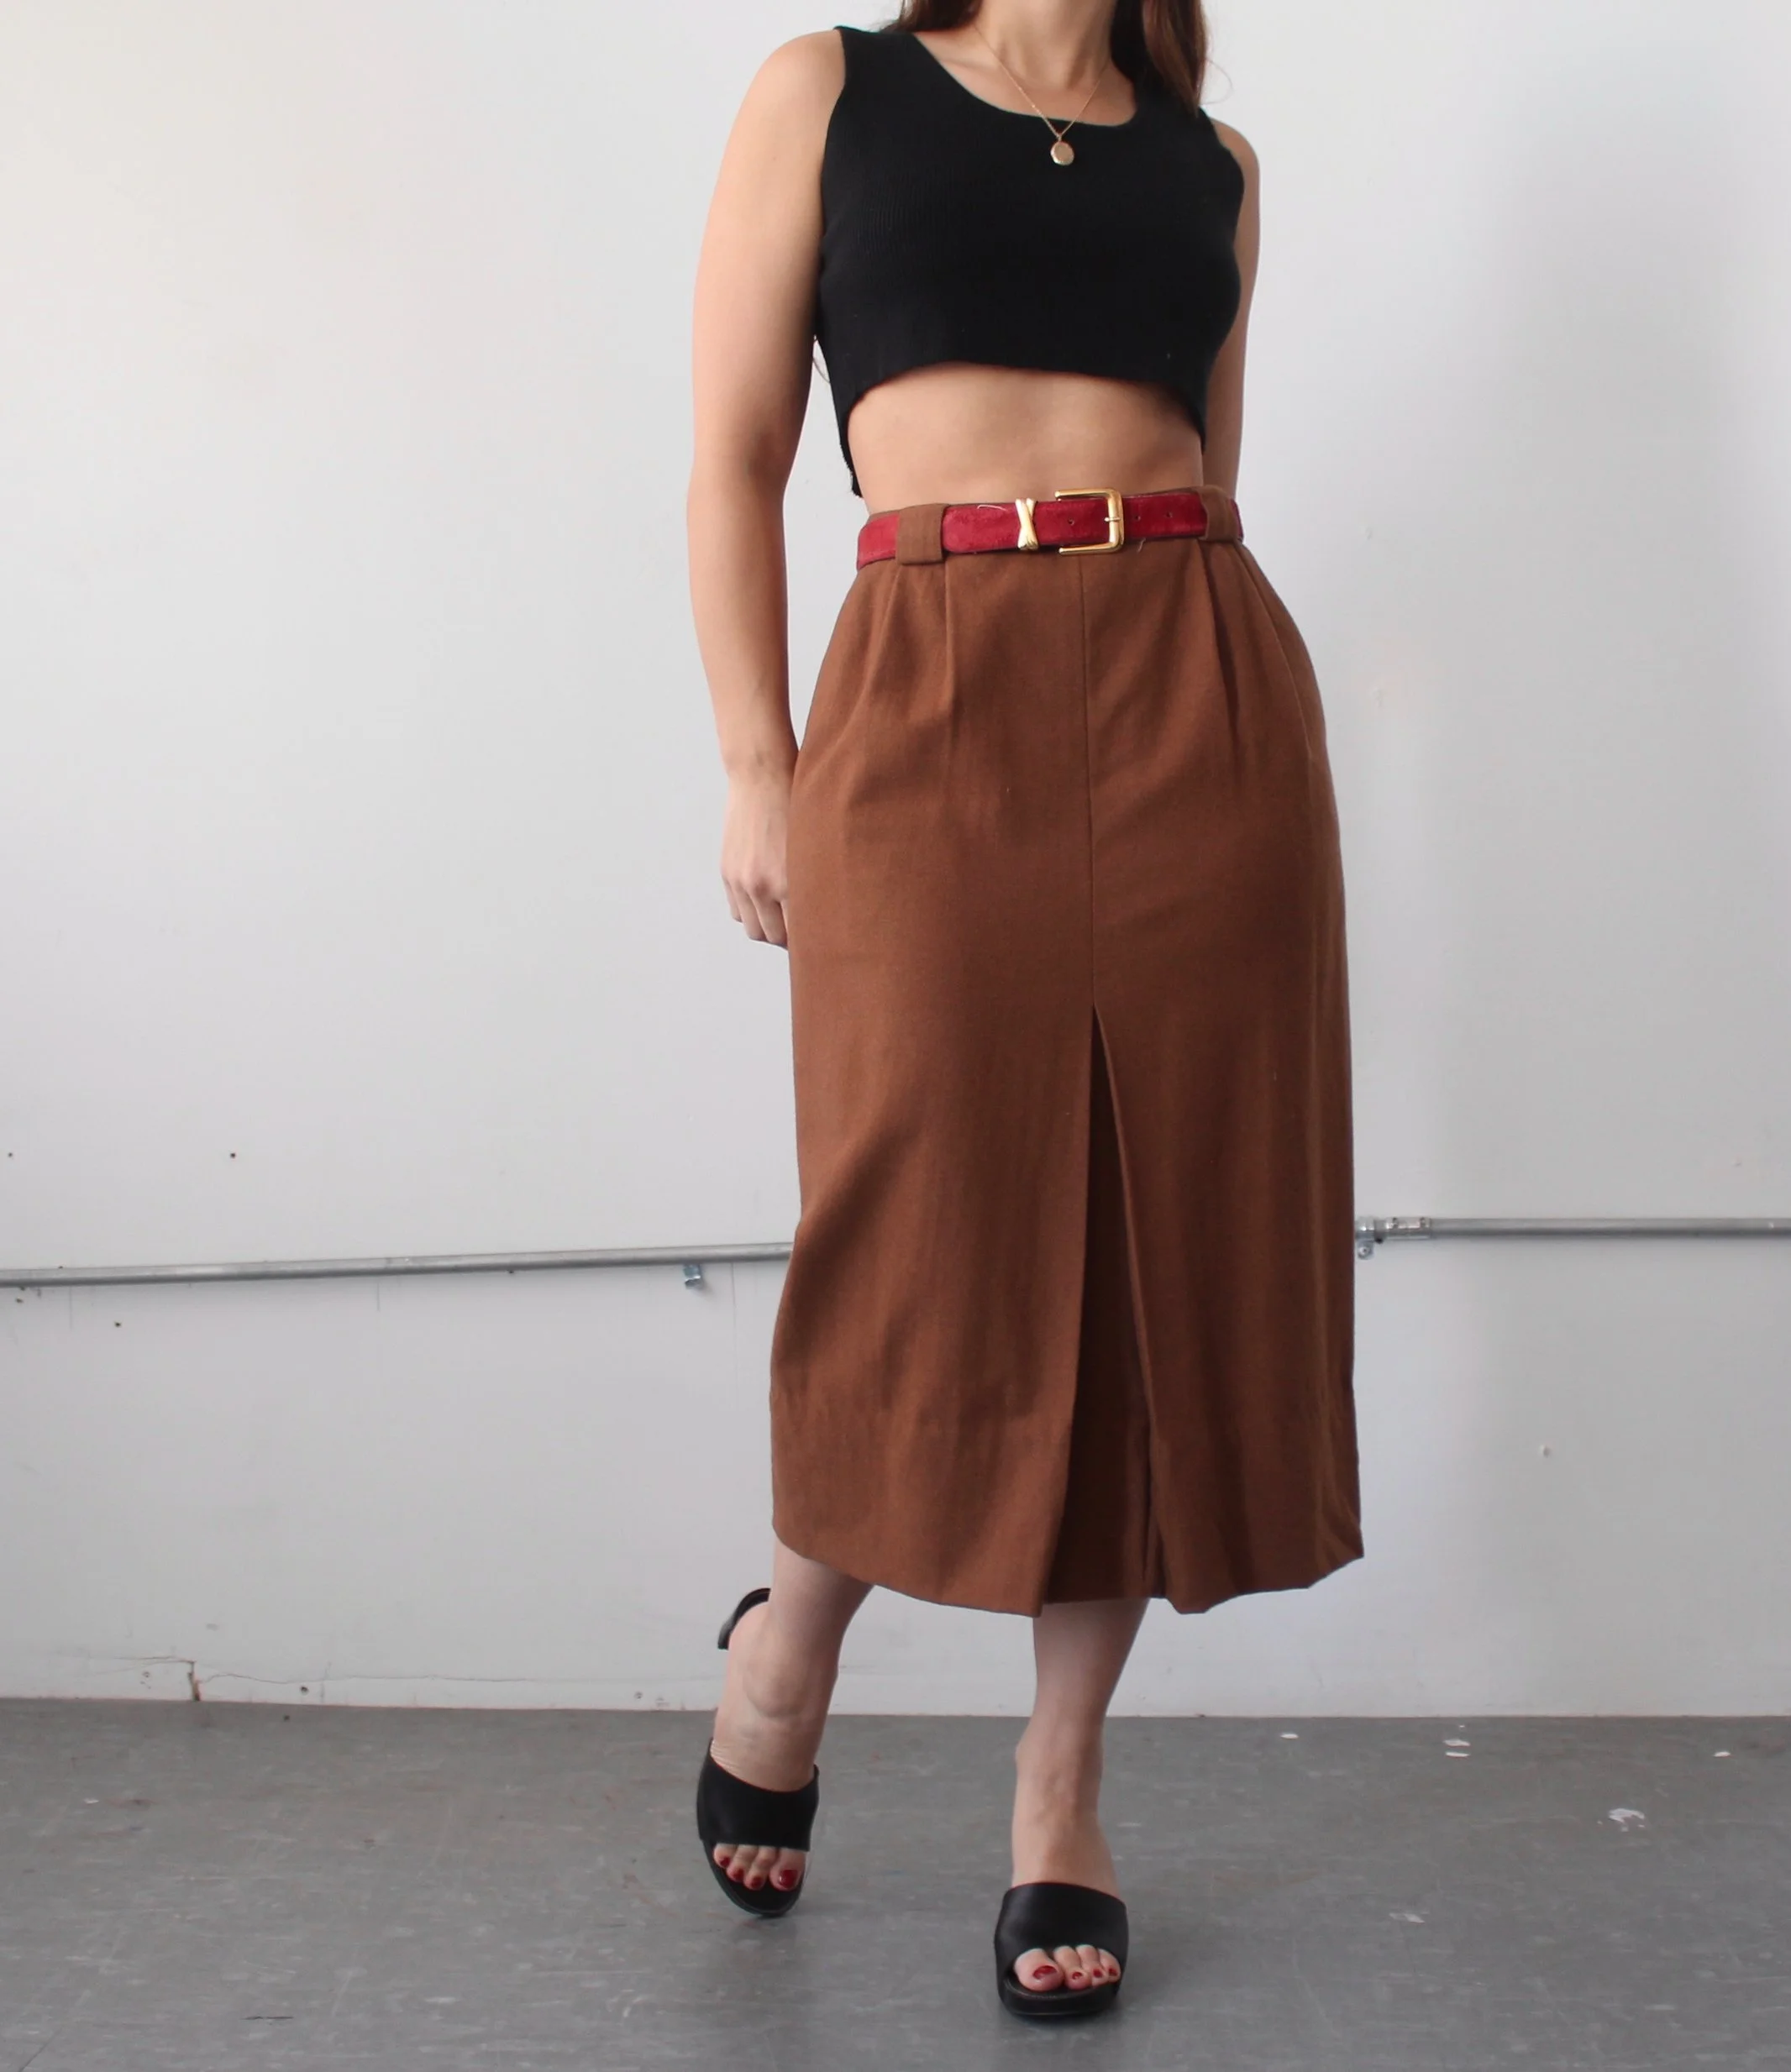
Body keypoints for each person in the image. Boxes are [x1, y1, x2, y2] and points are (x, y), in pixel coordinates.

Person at [685, 0, 1360, 2020]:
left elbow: (1212, 471)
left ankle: (1058, 1786)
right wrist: (755, 761)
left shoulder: (1210, 165)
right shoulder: (830, 90)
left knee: (1155, 1237)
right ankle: (790, 1643)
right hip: (924, 665)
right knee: (915, 1214)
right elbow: (733, 457)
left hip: (1194, 687)